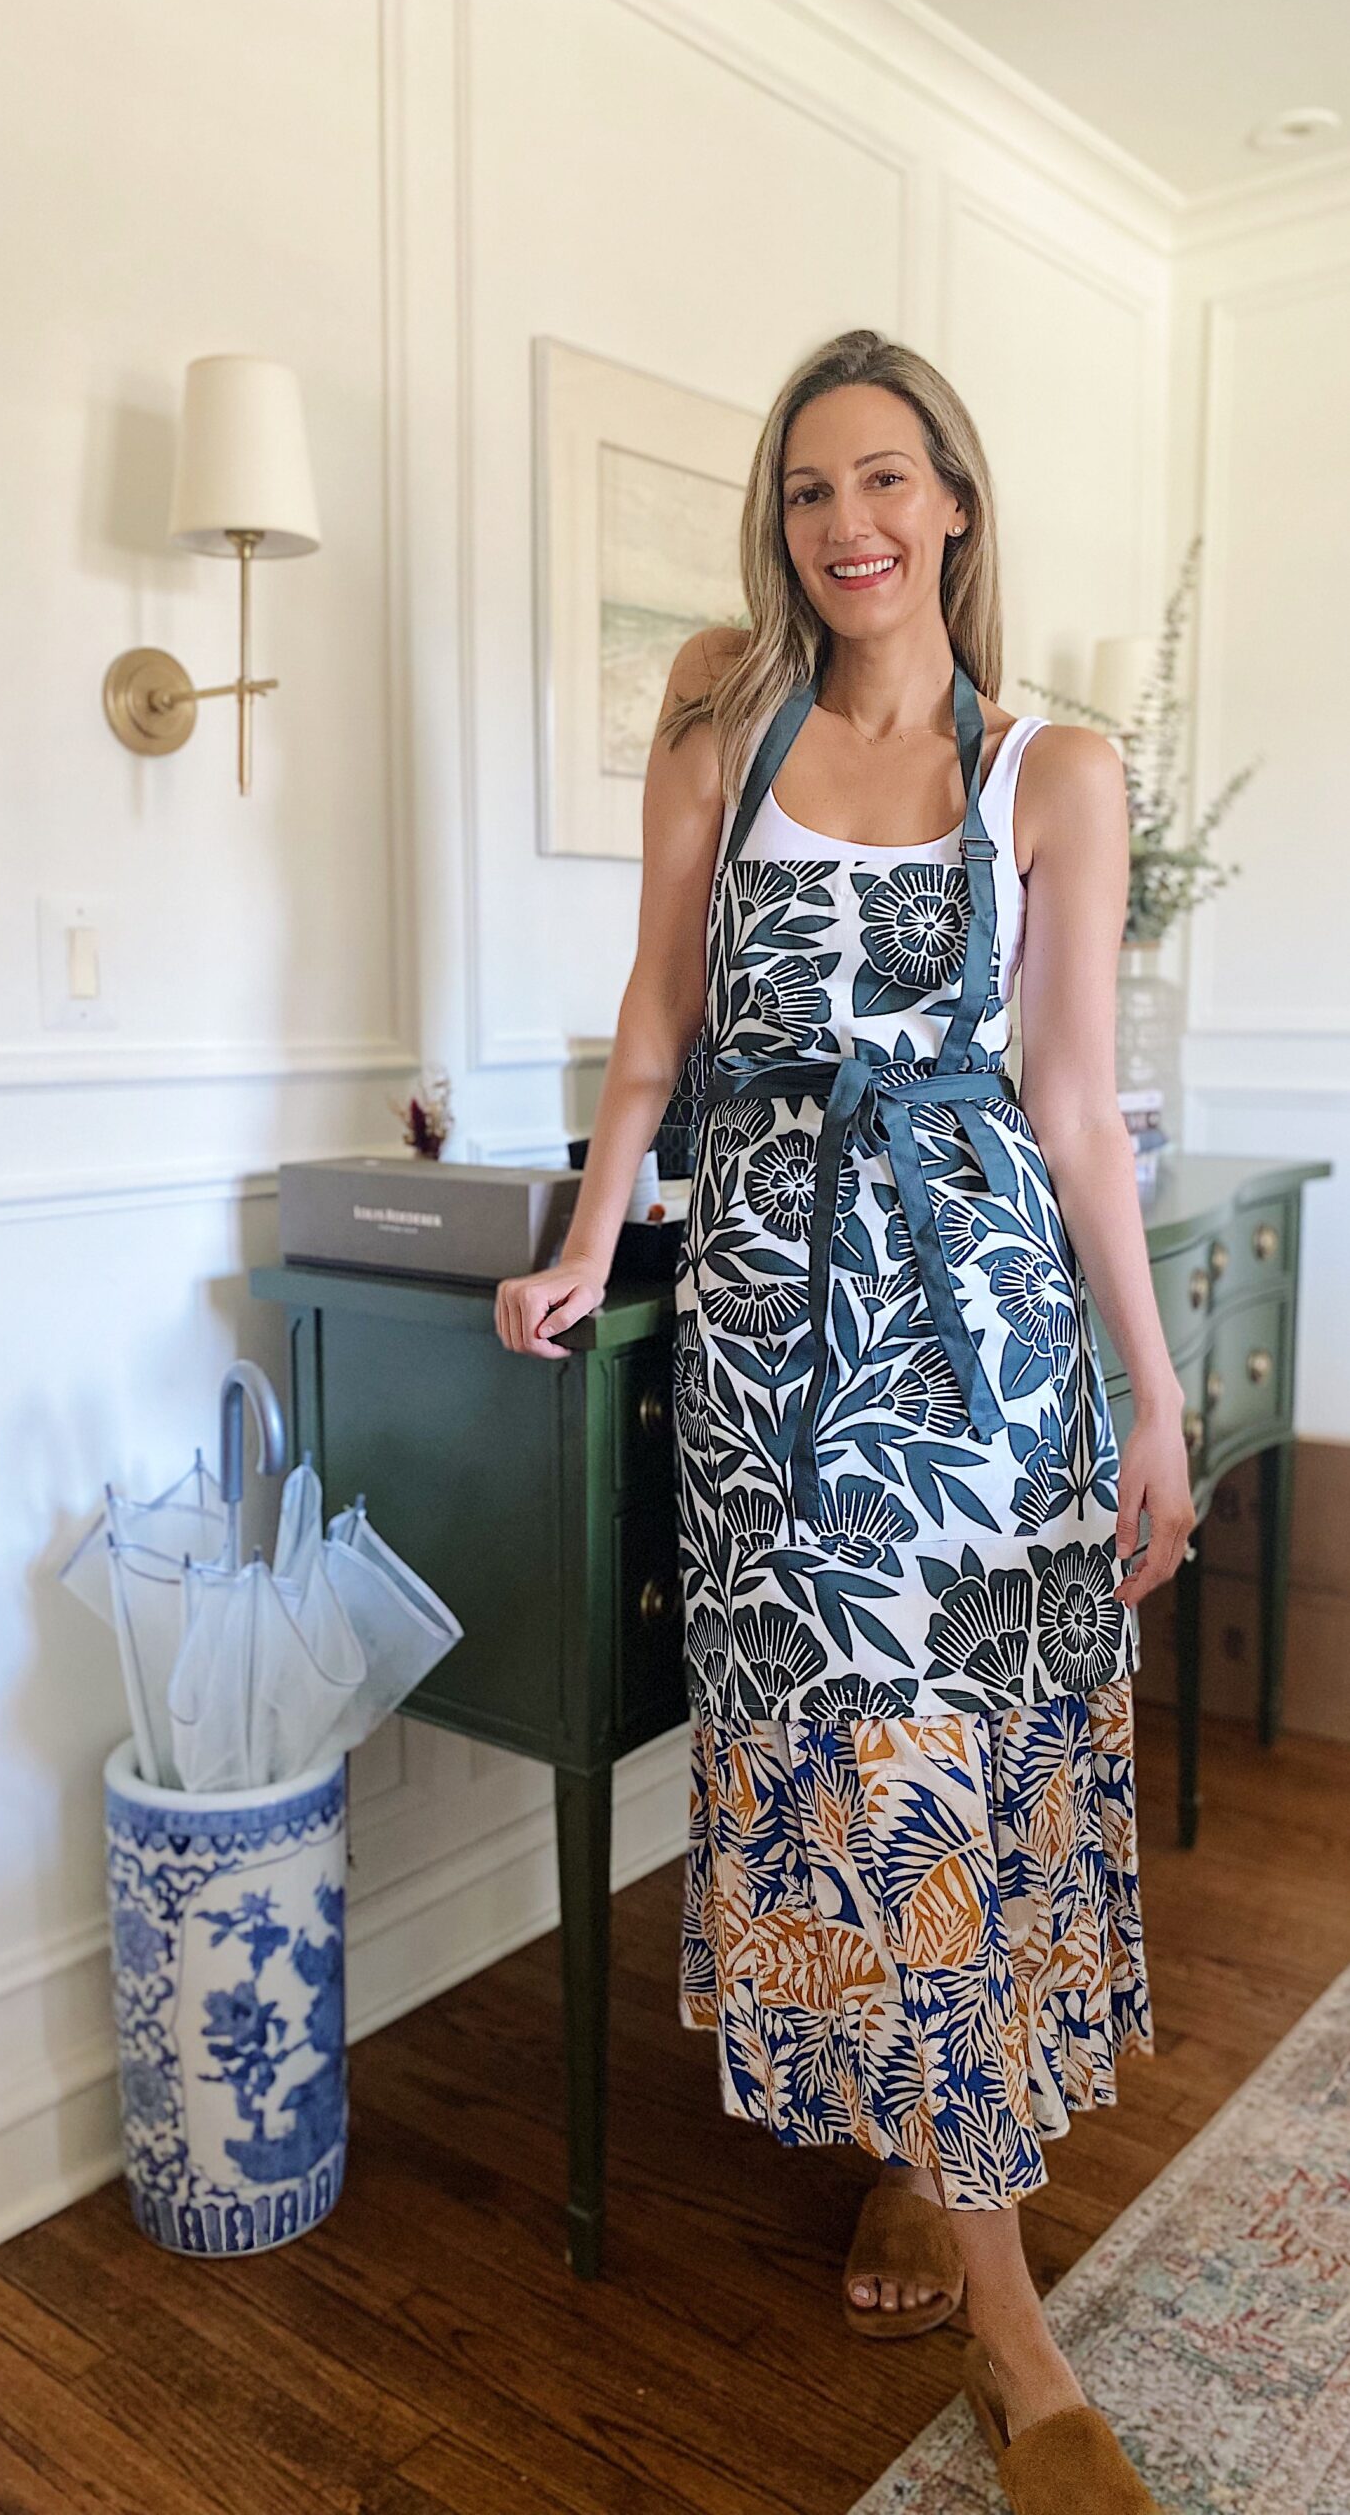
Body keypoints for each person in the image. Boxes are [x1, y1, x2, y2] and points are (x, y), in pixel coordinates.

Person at [495, 327, 1191, 2513]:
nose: (846, 522)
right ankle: (973, 2248)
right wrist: (593, 1239)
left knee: (958, 1777)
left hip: (982, 1342)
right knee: (844, 1769)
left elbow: (1071, 1106)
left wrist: (1150, 1398)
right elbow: (659, 1008)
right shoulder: (722, 701)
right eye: (808, 488)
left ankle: (993, 2303)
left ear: (954, 505)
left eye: (884, 480)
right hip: (771, 1342)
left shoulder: (1053, 766)